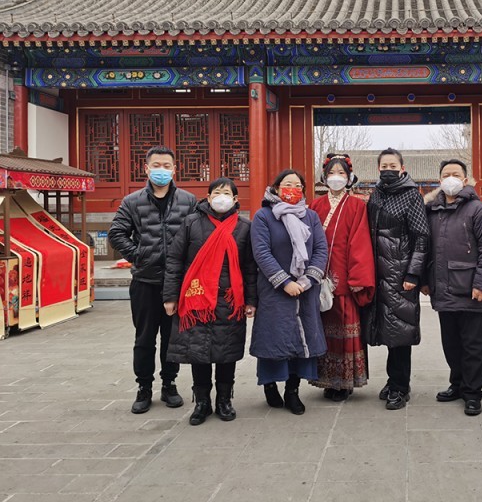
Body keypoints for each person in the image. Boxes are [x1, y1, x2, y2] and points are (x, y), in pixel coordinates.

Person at [162, 178, 257, 425]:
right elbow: (174, 260)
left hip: (230, 299)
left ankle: (224, 400)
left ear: (236, 200)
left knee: (227, 353)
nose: (222, 197)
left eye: (227, 193)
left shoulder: (245, 227)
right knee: (198, 352)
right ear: (208, 196)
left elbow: (250, 268)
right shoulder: (192, 223)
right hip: (197, 299)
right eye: (217, 192)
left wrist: (251, 300)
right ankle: (202, 402)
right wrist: (170, 296)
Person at [109, 145, 196, 414]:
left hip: (176, 283)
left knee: (173, 338)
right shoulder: (132, 201)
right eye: (155, 165)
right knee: (144, 338)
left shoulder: (188, 200)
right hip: (145, 282)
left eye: (166, 166)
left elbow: (197, 236)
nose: (161, 170)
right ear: (146, 168)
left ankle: (169, 384)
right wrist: (139, 255)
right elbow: (117, 233)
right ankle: (143, 387)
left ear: (174, 169)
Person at [422, 159, 482, 416]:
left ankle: (472, 393)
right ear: (440, 180)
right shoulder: (432, 210)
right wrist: (425, 279)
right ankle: (456, 384)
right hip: (443, 288)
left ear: (466, 180)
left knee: (473, 344)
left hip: (470, 289)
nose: (451, 178)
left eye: (456, 174)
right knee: (451, 342)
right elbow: (424, 248)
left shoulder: (478, 210)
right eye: (446, 174)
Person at [249, 169, 328, 415]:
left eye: (297, 185)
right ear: (276, 188)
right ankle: (270, 385)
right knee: (274, 338)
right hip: (275, 289)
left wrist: (306, 281)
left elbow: (321, 249)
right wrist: (284, 282)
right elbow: (261, 253)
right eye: (287, 184)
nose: (292, 188)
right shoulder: (264, 216)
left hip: (305, 289)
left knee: (301, 341)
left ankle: (292, 391)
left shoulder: (311, 217)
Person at [364, 148, 429, 410]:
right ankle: (394, 380)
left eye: (393, 164)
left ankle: (400, 386)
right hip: (378, 273)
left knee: (400, 331)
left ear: (402, 167)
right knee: (387, 330)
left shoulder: (411, 195)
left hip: (400, 274)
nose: (388, 169)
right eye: (383, 165)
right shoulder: (376, 194)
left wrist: (413, 272)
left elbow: (422, 237)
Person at [308, 153, 375, 401]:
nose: (337, 178)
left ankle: (344, 381)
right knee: (323, 329)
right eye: (332, 174)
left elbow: (360, 243)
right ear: (324, 178)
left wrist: (357, 279)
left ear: (349, 178)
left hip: (344, 279)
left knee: (345, 329)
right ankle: (325, 378)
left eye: (342, 174)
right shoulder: (314, 206)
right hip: (317, 276)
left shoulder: (358, 206)